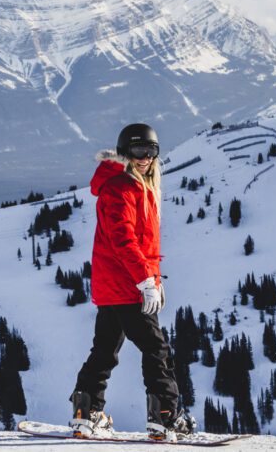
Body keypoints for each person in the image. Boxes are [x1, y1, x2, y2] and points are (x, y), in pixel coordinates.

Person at [69, 123, 197, 442]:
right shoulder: (120, 188)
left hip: (118, 284)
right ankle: (165, 417)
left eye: (151, 151)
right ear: (125, 152)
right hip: (126, 285)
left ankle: (87, 413)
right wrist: (144, 280)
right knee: (157, 350)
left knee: (104, 351)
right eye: (138, 151)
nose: (145, 158)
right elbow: (123, 240)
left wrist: (154, 278)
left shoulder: (138, 186)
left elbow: (143, 242)